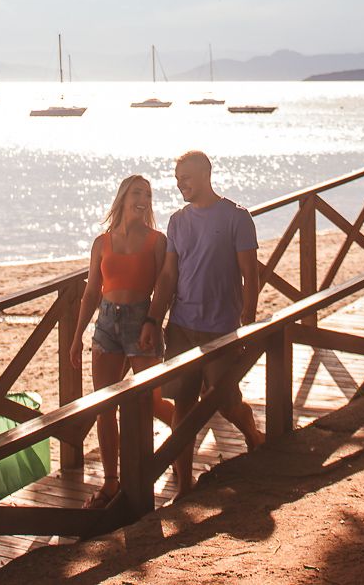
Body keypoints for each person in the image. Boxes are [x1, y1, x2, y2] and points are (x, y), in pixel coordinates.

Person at [142, 149, 265, 494]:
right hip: (182, 324)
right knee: (183, 403)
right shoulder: (177, 221)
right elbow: (168, 275)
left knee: (225, 401)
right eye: (178, 179)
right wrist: (154, 317)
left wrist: (247, 322)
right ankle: (184, 483)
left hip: (222, 326)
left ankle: (253, 433)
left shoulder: (236, 217)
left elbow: (250, 276)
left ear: (205, 174)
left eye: (186, 178)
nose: (180, 185)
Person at [66, 175, 172, 509]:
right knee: (104, 406)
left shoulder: (158, 241)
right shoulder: (102, 242)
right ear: (123, 198)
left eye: (148, 194)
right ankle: (112, 483)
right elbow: (90, 293)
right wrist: (76, 337)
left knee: (150, 402)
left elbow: (164, 288)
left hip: (141, 321)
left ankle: (181, 446)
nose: (143, 199)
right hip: (107, 325)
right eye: (137, 193)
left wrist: (153, 322)